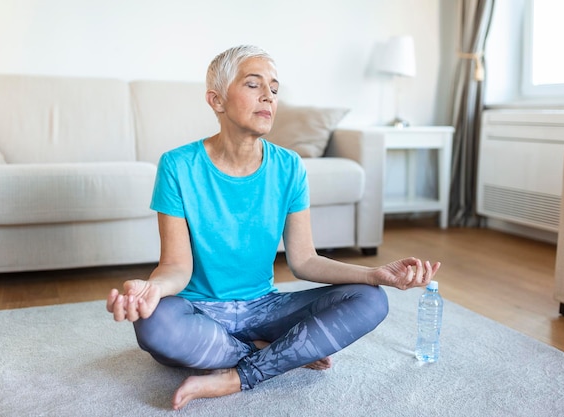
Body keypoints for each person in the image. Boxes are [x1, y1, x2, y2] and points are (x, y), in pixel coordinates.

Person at [106, 45, 441, 410]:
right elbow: (176, 267)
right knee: (154, 323)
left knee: (370, 298)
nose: (268, 96)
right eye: (253, 85)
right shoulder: (177, 166)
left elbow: (305, 261)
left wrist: (373, 273)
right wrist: (150, 291)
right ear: (216, 101)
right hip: (200, 309)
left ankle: (238, 374)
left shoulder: (290, 167)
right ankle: (275, 353)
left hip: (265, 308)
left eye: (275, 89)